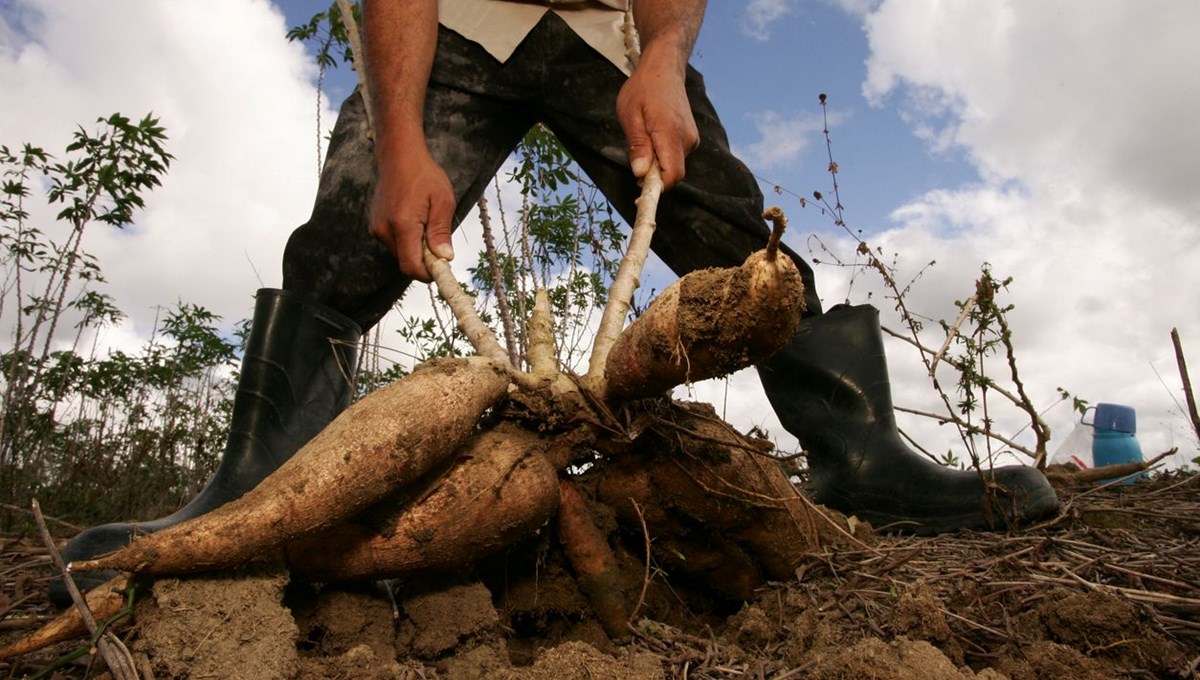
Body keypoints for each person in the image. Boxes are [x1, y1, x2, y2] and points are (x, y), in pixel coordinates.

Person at [54, 0, 1058, 602]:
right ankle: (253, 495)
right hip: (453, 25)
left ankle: (861, 455)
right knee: (345, 244)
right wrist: (401, 148)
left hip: (603, 26)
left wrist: (661, 57)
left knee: (731, 233)